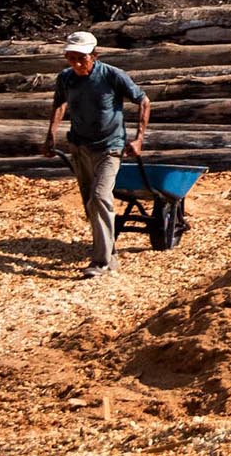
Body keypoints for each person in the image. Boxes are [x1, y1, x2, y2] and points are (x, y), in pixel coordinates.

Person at [42, 31, 150, 278]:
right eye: (71, 59)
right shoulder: (66, 78)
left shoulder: (112, 76)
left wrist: (139, 139)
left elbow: (144, 101)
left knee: (100, 196)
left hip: (109, 147)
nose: (77, 64)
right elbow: (59, 104)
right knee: (90, 202)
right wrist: (50, 135)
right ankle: (109, 254)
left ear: (95, 55)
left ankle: (101, 263)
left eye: (81, 58)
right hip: (80, 147)